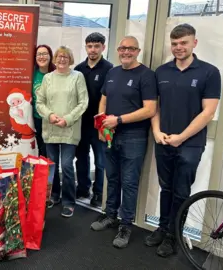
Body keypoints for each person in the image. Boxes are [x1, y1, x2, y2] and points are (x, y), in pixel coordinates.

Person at [145, 24, 221, 257]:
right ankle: (162, 227)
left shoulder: (209, 72)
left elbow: (208, 112)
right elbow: (155, 106)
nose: (178, 47)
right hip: (164, 140)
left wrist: (182, 137)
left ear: (194, 43)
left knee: (181, 190)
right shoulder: (162, 71)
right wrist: (157, 132)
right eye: (175, 43)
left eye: (184, 43)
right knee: (166, 187)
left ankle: (172, 235)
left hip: (190, 143)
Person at [90, 36, 157, 248]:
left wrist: (118, 120)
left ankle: (126, 224)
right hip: (110, 135)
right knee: (112, 177)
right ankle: (110, 215)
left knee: (129, 182)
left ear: (137, 51)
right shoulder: (112, 72)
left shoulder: (146, 75)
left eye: (130, 48)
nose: (125, 52)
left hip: (133, 137)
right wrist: (102, 124)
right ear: (118, 50)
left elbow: (149, 109)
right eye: (122, 48)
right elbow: (104, 99)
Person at [36, 46, 88, 218]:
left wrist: (67, 118)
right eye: (59, 56)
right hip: (50, 128)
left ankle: (68, 201)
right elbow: (39, 102)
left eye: (65, 56)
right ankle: (55, 195)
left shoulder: (77, 77)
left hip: (69, 129)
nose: (61, 59)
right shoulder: (48, 78)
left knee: (66, 166)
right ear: (54, 59)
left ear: (70, 59)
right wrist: (50, 115)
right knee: (52, 166)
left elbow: (83, 102)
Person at [74, 32, 113, 207]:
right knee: (81, 158)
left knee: (100, 160)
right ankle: (83, 187)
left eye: (97, 46)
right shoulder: (79, 69)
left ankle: (98, 193)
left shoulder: (110, 69)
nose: (93, 49)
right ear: (86, 47)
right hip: (80, 123)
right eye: (90, 46)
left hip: (100, 124)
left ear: (103, 47)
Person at [32, 45, 56, 157]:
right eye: (39, 54)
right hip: (37, 118)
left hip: (53, 119)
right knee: (42, 150)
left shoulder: (57, 73)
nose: (42, 57)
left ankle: (53, 174)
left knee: (53, 151)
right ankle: (44, 173)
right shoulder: (32, 74)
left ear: (50, 56)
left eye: (45, 54)